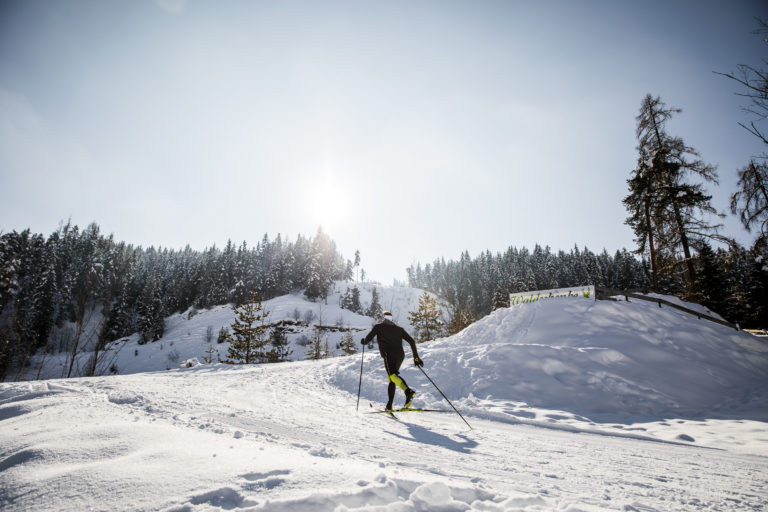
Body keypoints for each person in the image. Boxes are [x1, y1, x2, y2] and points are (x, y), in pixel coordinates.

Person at [362, 310, 424, 410]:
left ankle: (408, 392)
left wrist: (364, 342)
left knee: (392, 376)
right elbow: (412, 341)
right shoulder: (399, 329)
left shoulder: (379, 327)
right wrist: (416, 358)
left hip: (388, 355)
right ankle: (389, 405)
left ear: (383, 318)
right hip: (400, 356)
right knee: (392, 379)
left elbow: (368, 339)